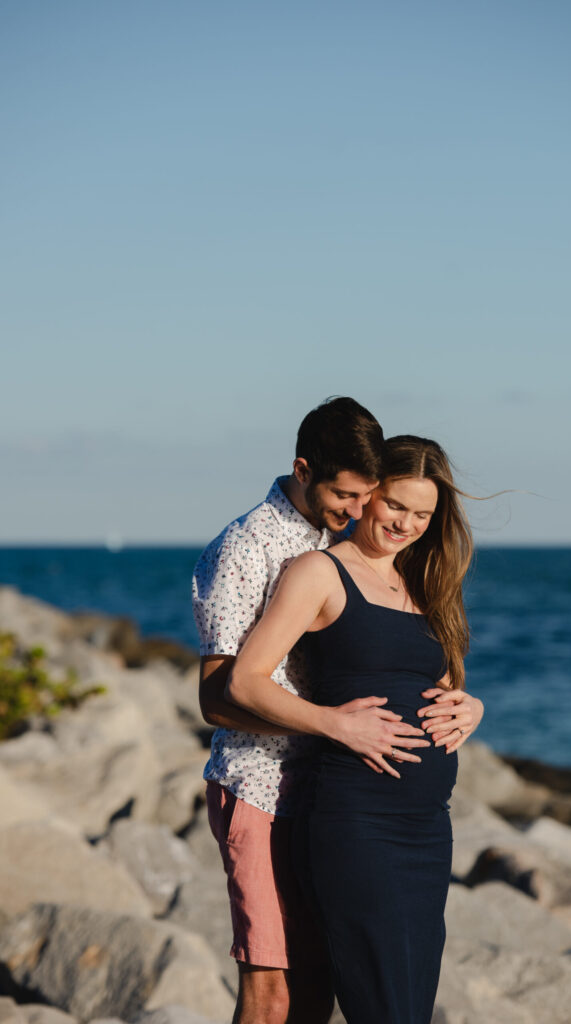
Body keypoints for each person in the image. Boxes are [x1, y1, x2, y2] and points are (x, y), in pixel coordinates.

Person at [193, 402, 482, 1024]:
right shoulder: (254, 550)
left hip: (400, 816)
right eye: (369, 500)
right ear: (305, 470)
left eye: (416, 512)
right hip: (266, 786)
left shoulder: (393, 564)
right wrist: (333, 722)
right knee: (274, 996)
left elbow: (427, 674)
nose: (364, 513)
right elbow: (220, 695)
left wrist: (471, 706)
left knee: (323, 991)